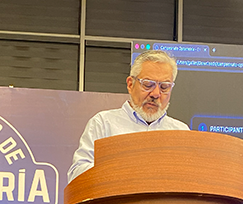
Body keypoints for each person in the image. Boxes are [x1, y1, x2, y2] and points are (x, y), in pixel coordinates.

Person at [68, 50, 189, 182]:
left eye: (164, 87)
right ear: (130, 84)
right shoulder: (103, 124)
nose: (156, 93)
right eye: (148, 84)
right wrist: (124, 169)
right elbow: (76, 176)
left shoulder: (181, 132)